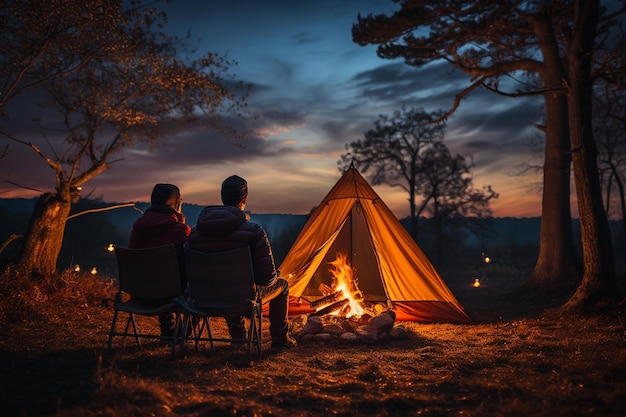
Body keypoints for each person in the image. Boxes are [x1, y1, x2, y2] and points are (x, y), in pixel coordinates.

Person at [187, 175, 296, 350]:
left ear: (222, 197)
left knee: (226, 282)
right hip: (240, 298)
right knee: (281, 286)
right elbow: (267, 279)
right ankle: (280, 341)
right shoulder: (254, 231)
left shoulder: (194, 233)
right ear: (244, 199)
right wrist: (276, 276)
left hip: (204, 298)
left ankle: (239, 338)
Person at [128, 183, 191, 338]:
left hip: (138, 295)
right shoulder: (180, 231)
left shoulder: (137, 230)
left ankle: (168, 330)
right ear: (176, 204)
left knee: (163, 277)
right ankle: (181, 333)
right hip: (170, 296)